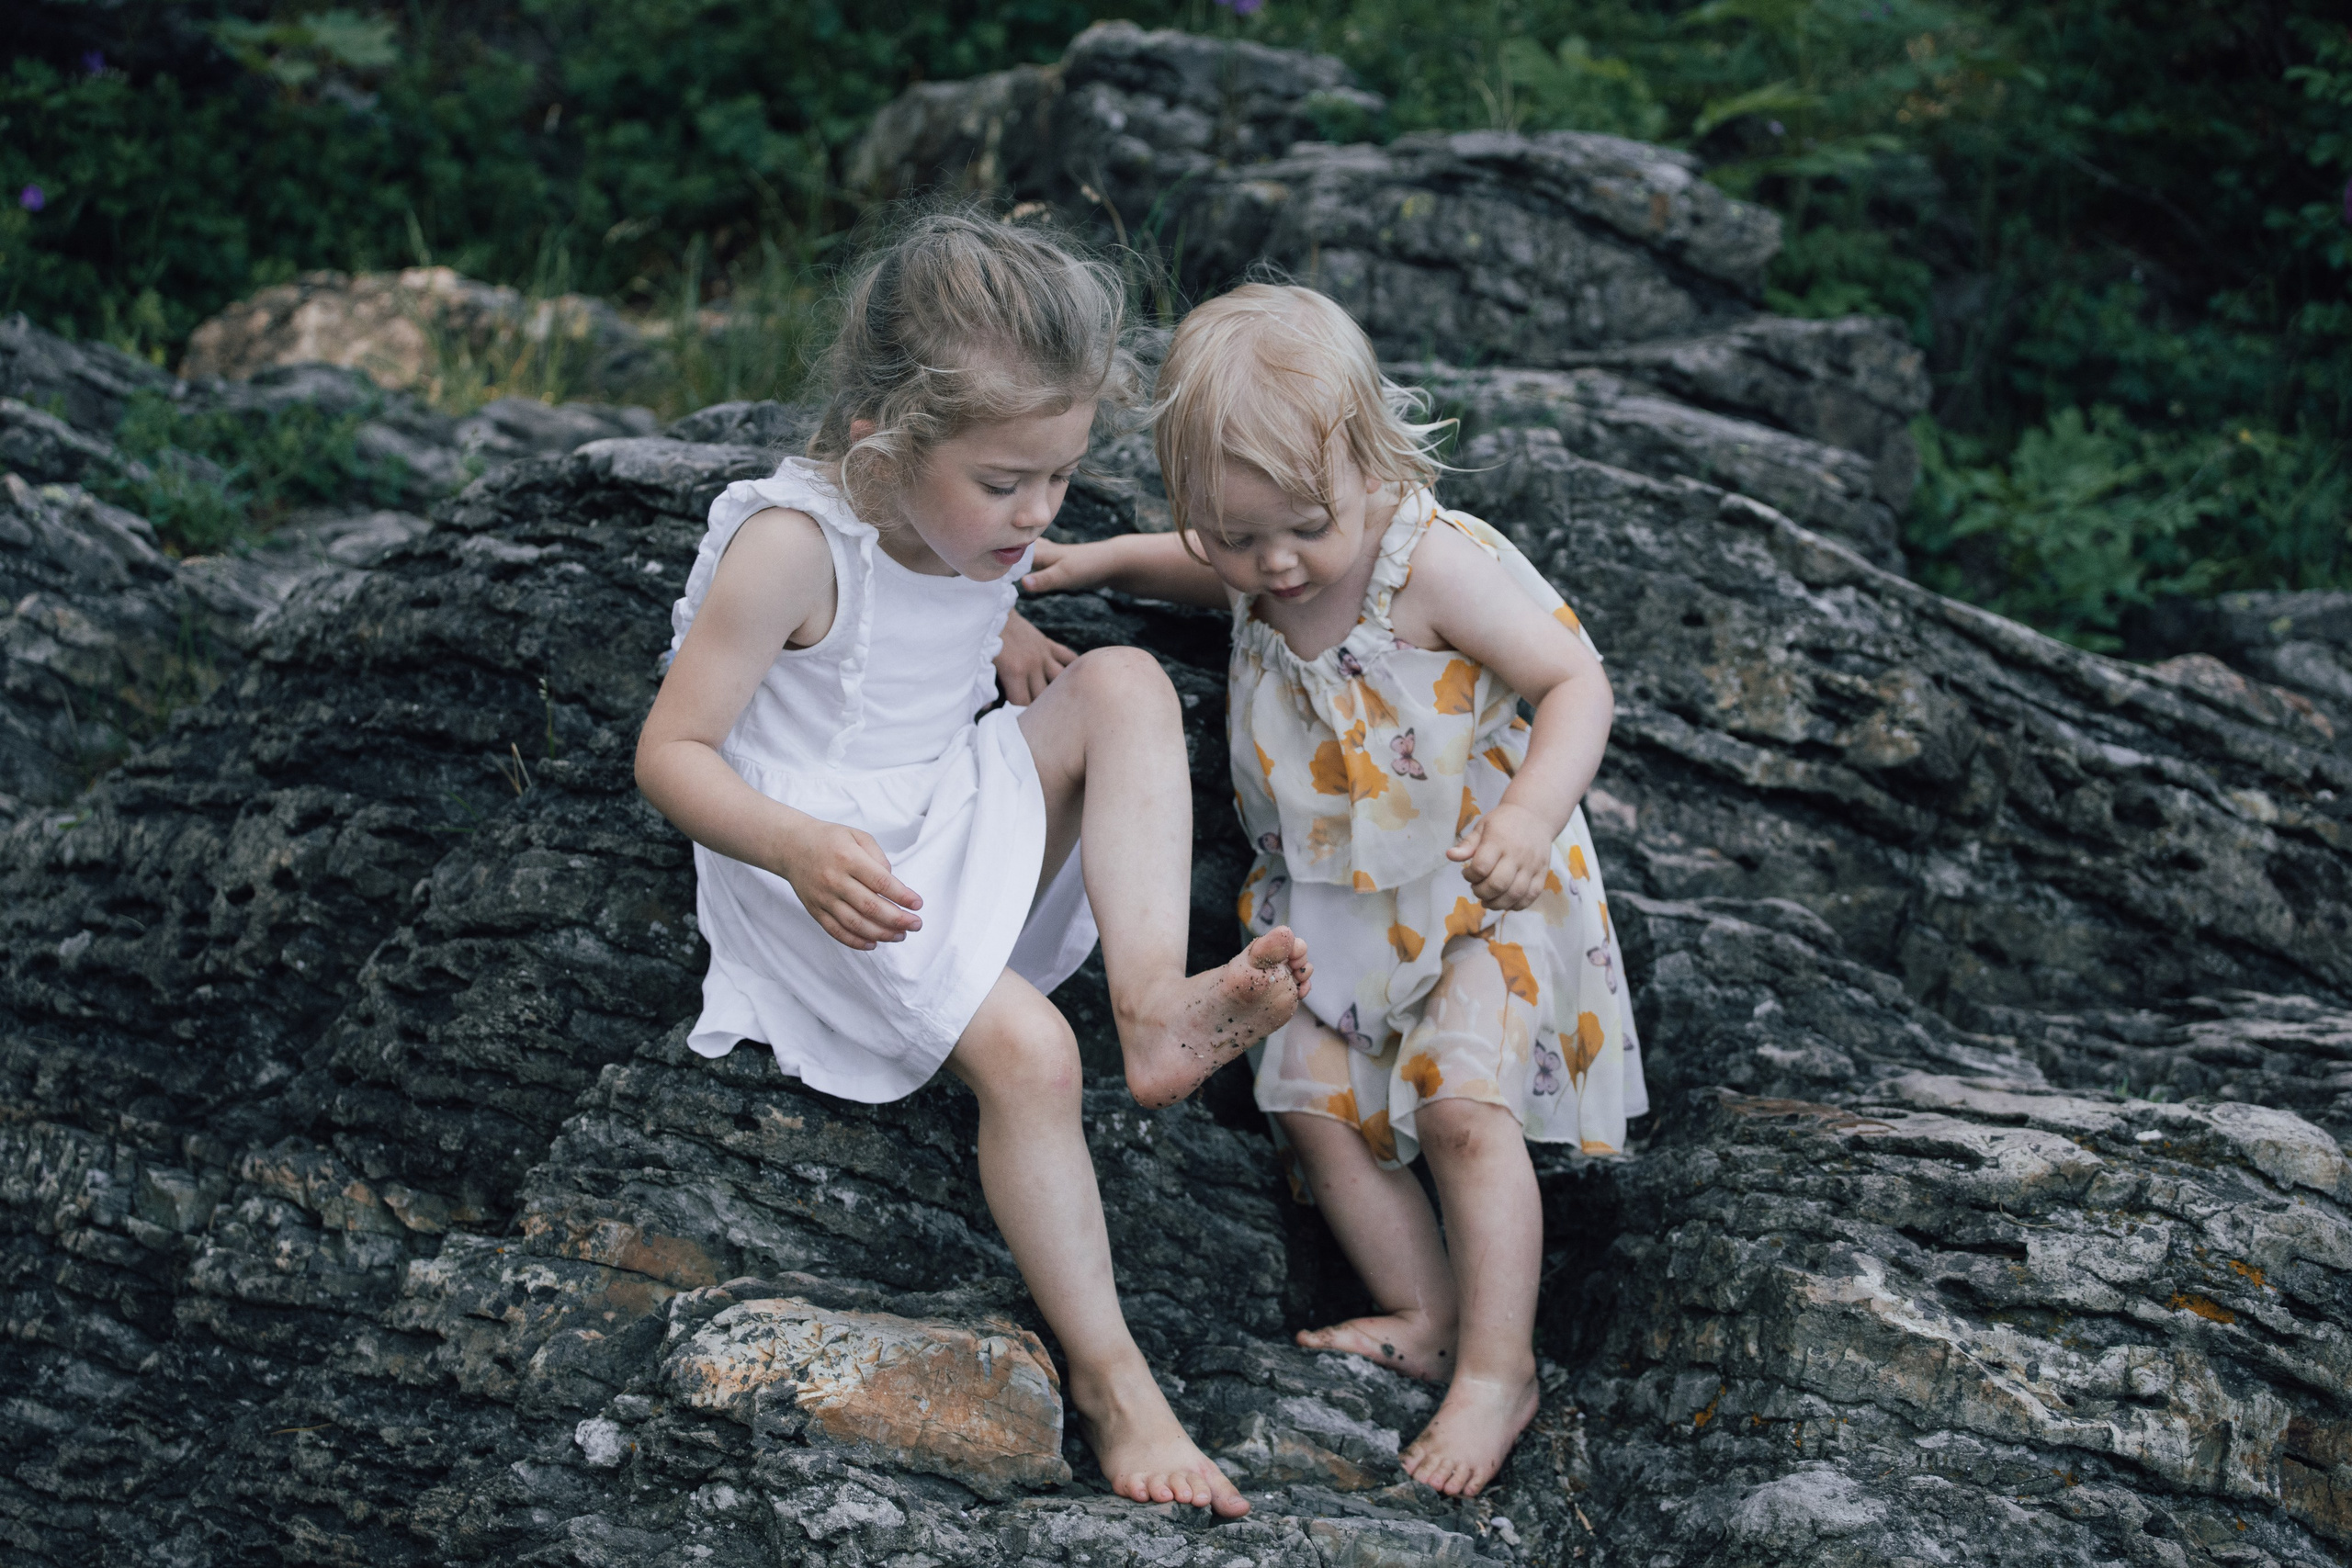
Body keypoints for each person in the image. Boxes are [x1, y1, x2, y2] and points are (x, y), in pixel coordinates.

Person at [634, 214, 1312, 1519]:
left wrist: (997, 619)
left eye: (1059, 479)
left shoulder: (962, 525)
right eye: (1006, 485)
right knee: (1031, 1059)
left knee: (1119, 680)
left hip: (935, 804)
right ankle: (1116, 1382)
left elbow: (946, 590)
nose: (1040, 511)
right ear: (884, 446)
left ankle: (1156, 1006)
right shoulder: (791, 546)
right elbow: (672, 751)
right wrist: (790, 842)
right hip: (825, 870)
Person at [1019, 283, 1648, 1499]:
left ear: (1368, 461)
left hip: (1480, 896)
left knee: (1467, 1114)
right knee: (1309, 1103)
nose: (1276, 566)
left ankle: (1497, 1369)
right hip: (1326, 907)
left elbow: (1577, 683)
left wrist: (1526, 822)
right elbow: (1202, 575)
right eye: (1235, 536)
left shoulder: (1433, 565)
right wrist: (1091, 560)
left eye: (1300, 527)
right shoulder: (1259, 559)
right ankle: (1422, 1309)